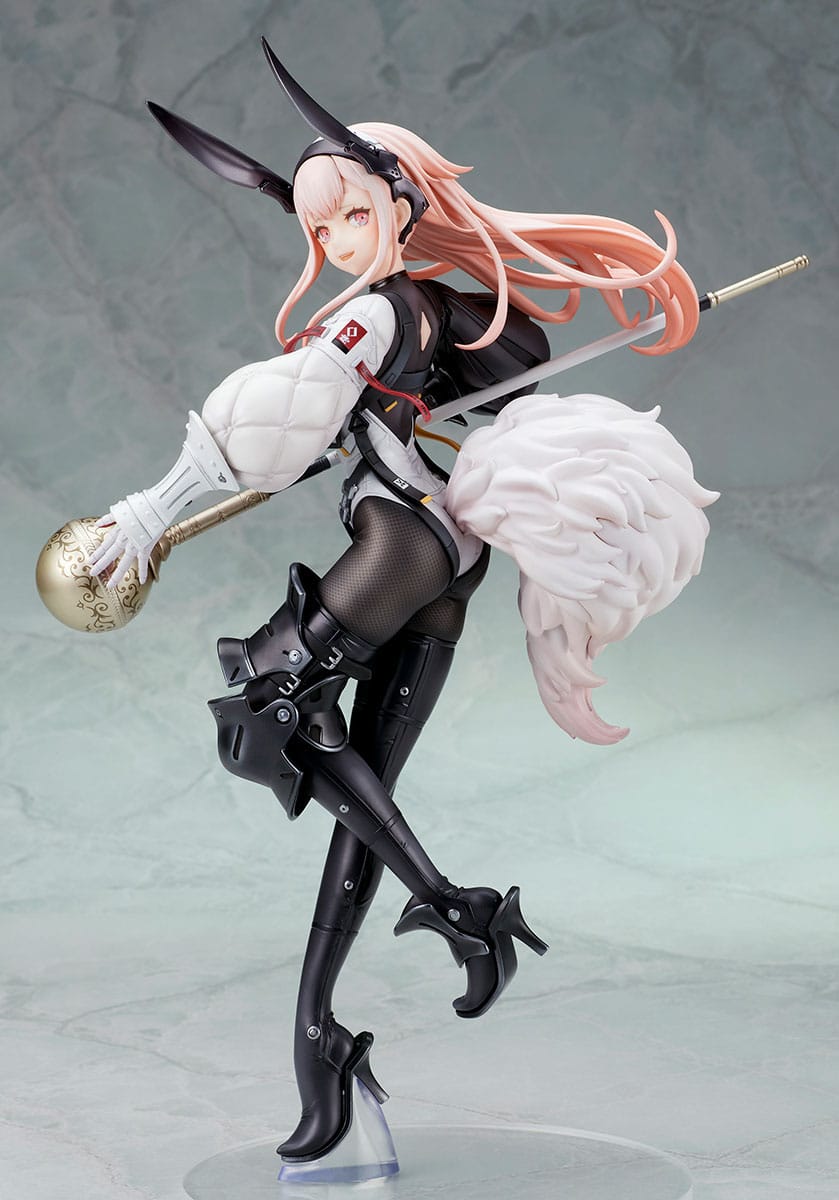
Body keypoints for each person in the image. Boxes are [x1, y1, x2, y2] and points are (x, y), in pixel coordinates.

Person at [88, 41, 715, 1166]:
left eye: (350, 213)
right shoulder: (427, 308)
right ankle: (322, 1041)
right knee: (357, 788)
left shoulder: (372, 319)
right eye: (316, 225)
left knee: (261, 705)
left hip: (403, 542)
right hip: (442, 559)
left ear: (400, 203)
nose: (334, 239)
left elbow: (258, 431)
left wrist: (148, 512)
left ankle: (454, 906)